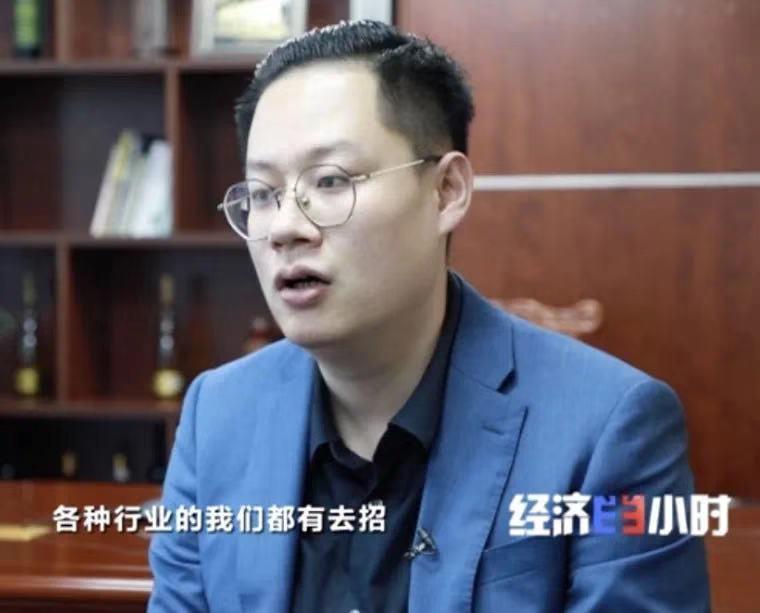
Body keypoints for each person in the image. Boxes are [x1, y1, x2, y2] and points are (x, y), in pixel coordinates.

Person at [148, 20, 709, 612]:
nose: (285, 228)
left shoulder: (610, 431)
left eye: (330, 180)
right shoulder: (218, 416)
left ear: (446, 191)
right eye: (263, 194)